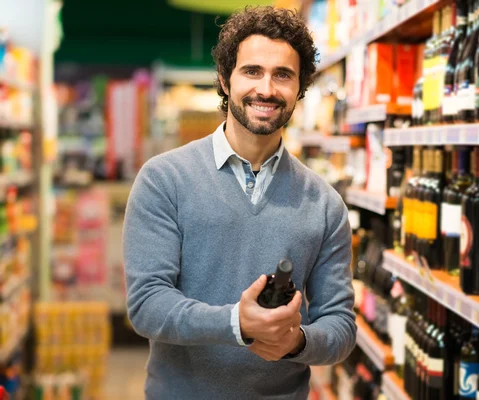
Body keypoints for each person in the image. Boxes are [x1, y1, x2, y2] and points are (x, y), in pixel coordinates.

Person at [123, 6, 356, 400]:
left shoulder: (325, 205)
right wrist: (236, 323)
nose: (266, 88)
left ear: (299, 89)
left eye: (283, 75)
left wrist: (297, 342)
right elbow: (147, 304)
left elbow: (340, 326)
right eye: (252, 71)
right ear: (224, 79)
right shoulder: (164, 179)